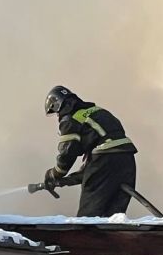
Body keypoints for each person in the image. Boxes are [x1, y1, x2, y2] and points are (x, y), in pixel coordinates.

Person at [43, 85, 138, 217]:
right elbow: (94, 170)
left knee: (89, 216)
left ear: (58, 106)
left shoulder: (71, 119)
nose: (58, 116)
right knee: (113, 217)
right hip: (127, 160)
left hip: (105, 160)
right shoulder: (98, 111)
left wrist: (54, 174)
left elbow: (67, 153)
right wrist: (66, 181)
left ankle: (86, 237)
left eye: (56, 112)